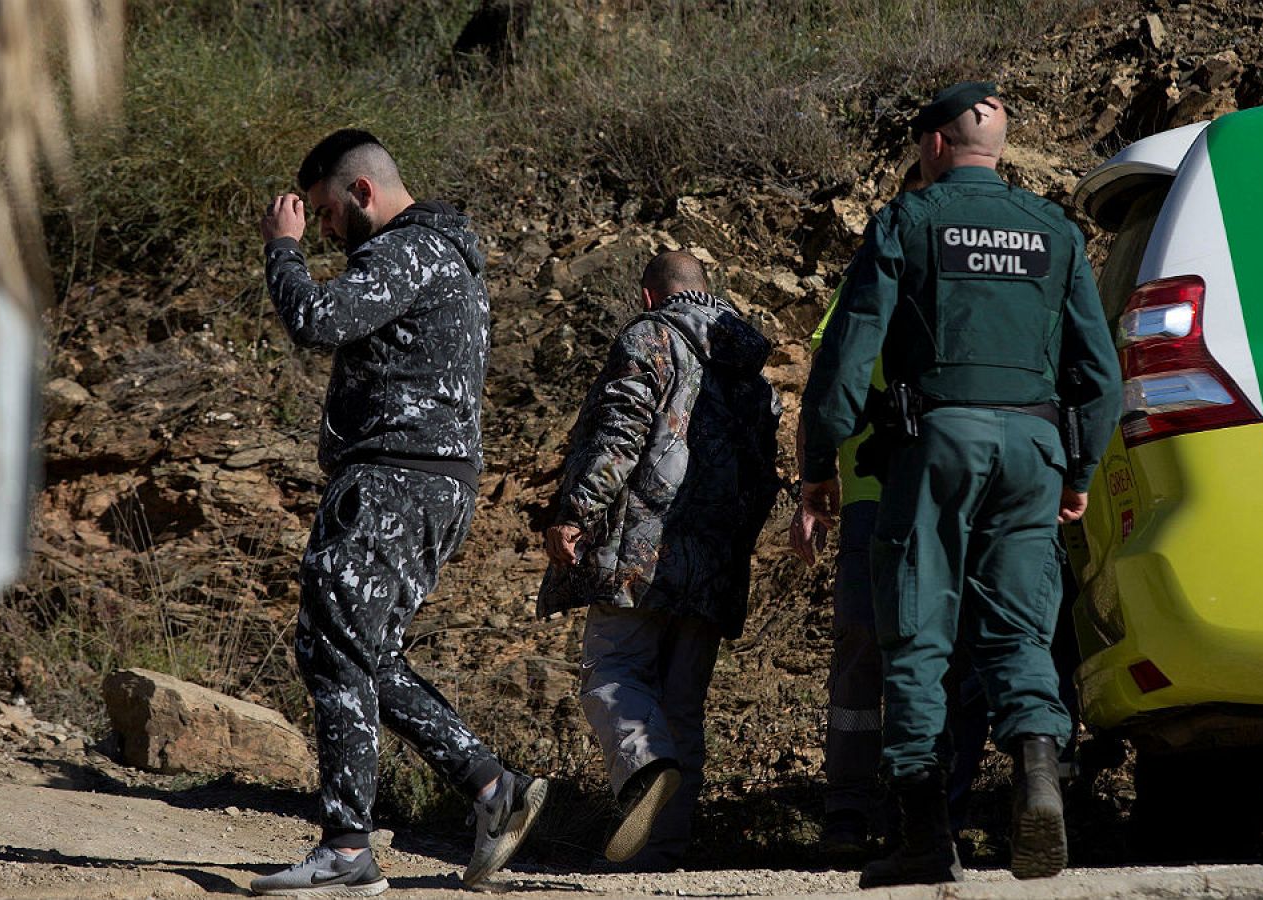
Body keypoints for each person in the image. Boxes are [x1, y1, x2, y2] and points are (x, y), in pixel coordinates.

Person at [798, 82, 1122, 886]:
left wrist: (817, 468)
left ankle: (922, 838)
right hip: (1036, 452)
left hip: (938, 448)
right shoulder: (1055, 230)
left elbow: (844, 356)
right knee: (1017, 631)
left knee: (917, 633)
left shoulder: (908, 220)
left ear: (935, 143)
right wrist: (1077, 471)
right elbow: (1101, 377)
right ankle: (1037, 779)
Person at [252, 129, 547, 896]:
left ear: (361, 193)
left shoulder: (406, 253)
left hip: (394, 479)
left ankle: (348, 851)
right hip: (426, 481)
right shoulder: (443, 256)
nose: (319, 229)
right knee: (361, 651)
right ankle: (491, 787)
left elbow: (316, 320)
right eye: (308, 222)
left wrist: (282, 250)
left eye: (321, 214)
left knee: (332, 648)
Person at [538, 251, 781, 870]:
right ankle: (662, 851)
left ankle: (645, 771)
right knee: (682, 704)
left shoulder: (649, 337)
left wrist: (577, 511)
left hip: (640, 550)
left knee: (613, 672)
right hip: (716, 561)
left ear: (651, 297)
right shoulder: (752, 370)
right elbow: (763, 478)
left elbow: (619, 434)